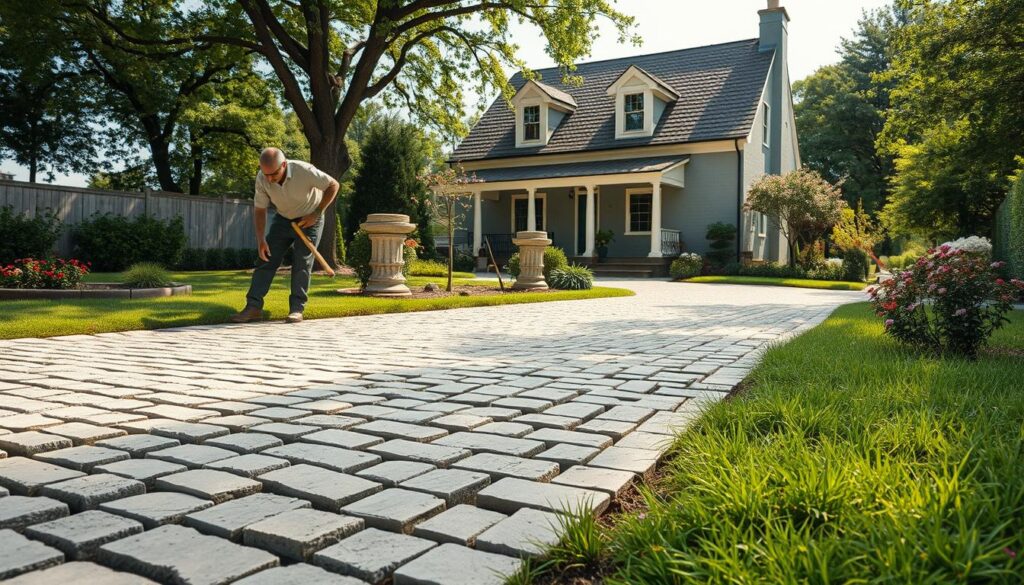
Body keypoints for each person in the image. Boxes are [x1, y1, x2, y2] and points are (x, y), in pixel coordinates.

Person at [231, 148, 339, 324]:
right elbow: (260, 209)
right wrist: (261, 240)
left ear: (283, 165)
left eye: (273, 174)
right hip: (284, 219)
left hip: (309, 218)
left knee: (302, 262)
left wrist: (317, 212)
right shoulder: (262, 178)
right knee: (266, 259)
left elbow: (333, 185)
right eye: (266, 174)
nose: (269, 179)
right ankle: (253, 307)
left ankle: (297, 309)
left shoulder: (304, 170)